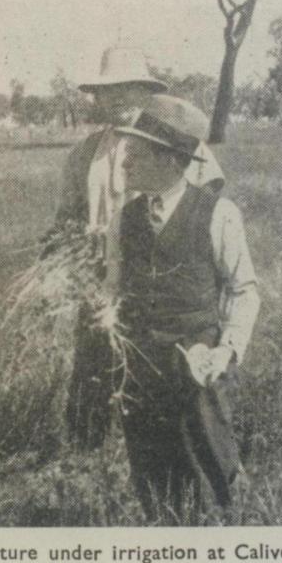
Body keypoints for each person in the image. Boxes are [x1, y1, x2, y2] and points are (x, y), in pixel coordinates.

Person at [53, 46, 226, 450]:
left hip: (163, 279)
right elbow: (65, 219)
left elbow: (207, 205)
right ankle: (87, 454)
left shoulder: (184, 144)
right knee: (95, 365)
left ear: (144, 92)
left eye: (126, 90)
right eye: (107, 92)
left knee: (163, 373)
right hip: (101, 276)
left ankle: (169, 453)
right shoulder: (84, 154)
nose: (116, 100)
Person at [113, 94, 260, 523]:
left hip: (196, 374)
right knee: (154, 484)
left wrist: (226, 351)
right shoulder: (122, 219)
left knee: (212, 470)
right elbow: (112, 290)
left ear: (168, 160)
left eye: (134, 154)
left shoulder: (218, 214)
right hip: (139, 376)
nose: (124, 164)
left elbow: (244, 290)